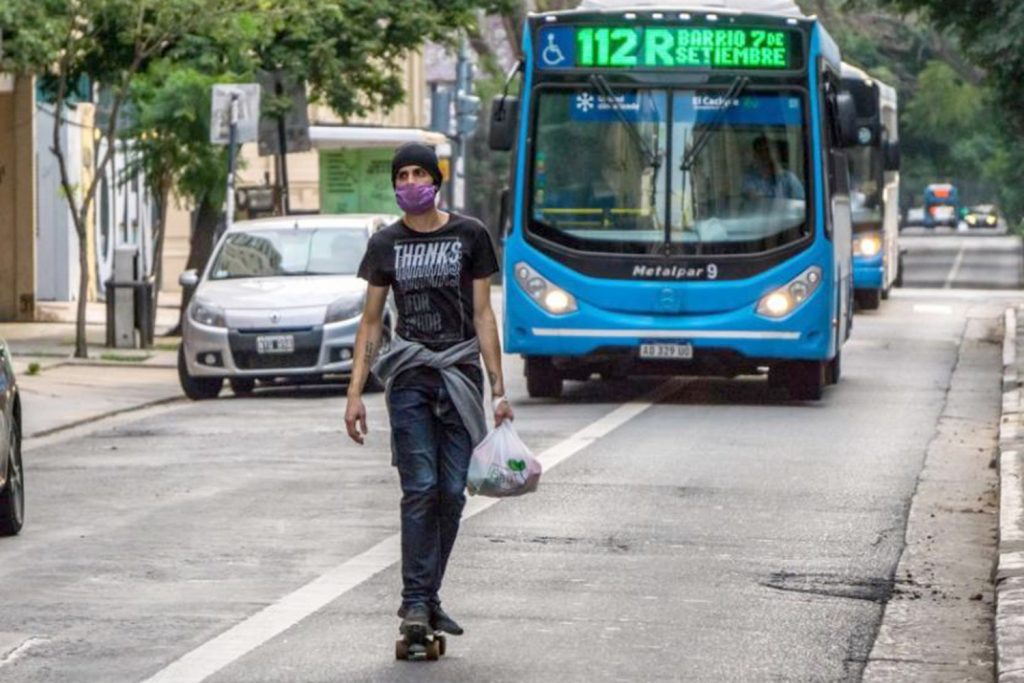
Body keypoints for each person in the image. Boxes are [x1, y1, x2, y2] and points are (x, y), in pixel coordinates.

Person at [344, 142, 514, 642]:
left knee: (451, 493)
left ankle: (427, 598)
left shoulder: (470, 234)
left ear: (436, 181)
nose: (410, 182)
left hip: (460, 375)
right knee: (419, 489)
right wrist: (355, 392)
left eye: (419, 173)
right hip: (410, 378)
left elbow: (483, 315)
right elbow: (371, 322)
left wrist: (499, 389)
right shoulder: (384, 245)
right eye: (402, 175)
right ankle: (416, 602)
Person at [741, 135, 805, 201]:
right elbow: (749, 197)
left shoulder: (789, 178)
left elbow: (801, 203)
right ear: (755, 155)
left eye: (767, 150)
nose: (764, 155)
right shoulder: (750, 178)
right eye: (760, 151)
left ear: (775, 154)